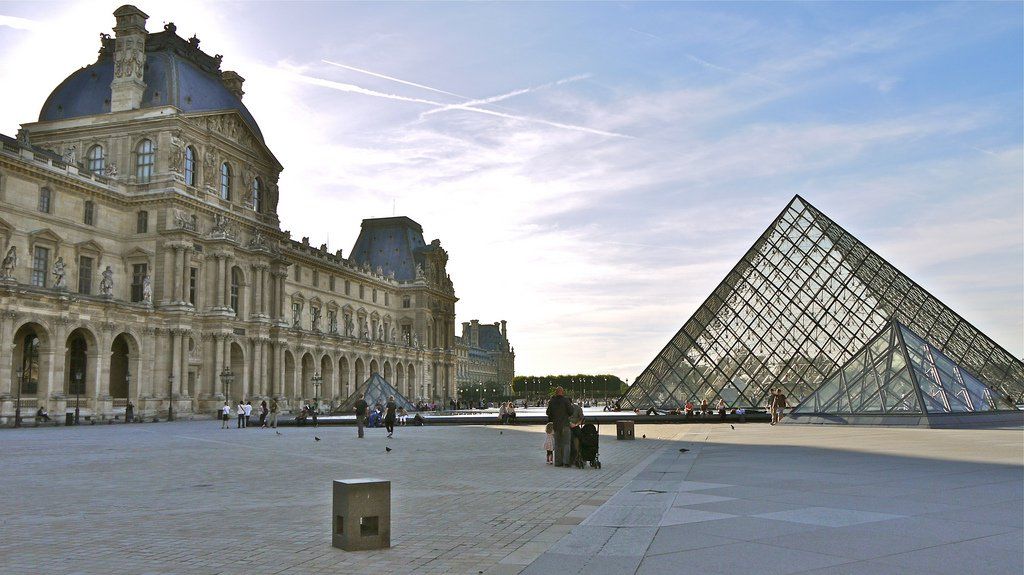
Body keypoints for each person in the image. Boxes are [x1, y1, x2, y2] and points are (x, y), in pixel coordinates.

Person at [546, 387, 573, 467]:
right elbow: (571, 411)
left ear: (556, 392)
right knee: (566, 444)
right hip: (565, 425)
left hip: (556, 425)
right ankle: (566, 462)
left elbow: (548, 412)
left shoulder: (552, 401)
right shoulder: (566, 400)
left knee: (557, 444)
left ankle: (558, 462)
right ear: (562, 392)